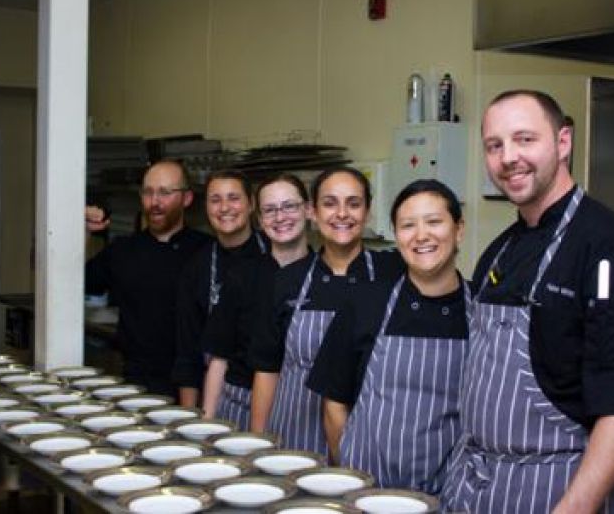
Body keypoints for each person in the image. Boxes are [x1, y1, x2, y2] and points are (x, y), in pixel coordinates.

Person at [441, 90, 614, 513]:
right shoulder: (500, 250)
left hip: (560, 487)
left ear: (563, 143)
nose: (508, 157)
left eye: (525, 139)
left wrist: (573, 508)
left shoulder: (606, 246)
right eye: (495, 145)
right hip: (484, 485)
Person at [308, 179, 469, 495]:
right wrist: (353, 479)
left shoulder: (482, 313)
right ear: (397, 236)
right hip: (367, 493)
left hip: (451, 497)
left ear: (459, 229)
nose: (421, 235)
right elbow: (334, 404)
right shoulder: (365, 303)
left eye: (434, 222)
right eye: (408, 225)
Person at [249, 166, 403, 455]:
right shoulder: (287, 281)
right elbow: (267, 369)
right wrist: (258, 444)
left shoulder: (391, 274)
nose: (342, 213)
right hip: (292, 434)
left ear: (367, 212)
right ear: (312, 212)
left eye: (354, 203)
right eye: (330, 203)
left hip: (365, 437)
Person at [85, 160, 211, 398]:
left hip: (194, 387)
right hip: (135, 385)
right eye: (148, 192)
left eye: (165, 193)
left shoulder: (206, 251)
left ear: (187, 199)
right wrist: (85, 231)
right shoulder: (123, 250)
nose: (155, 202)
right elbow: (75, 283)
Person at [200, 173, 312, 430]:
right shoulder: (241, 275)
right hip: (240, 403)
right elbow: (219, 358)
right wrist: (206, 423)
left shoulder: (323, 276)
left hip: (301, 407)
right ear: (260, 220)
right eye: (270, 210)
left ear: (308, 210)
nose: (280, 217)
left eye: (289, 206)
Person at [172, 169, 267, 407]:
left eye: (233, 198)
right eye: (215, 200)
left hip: (272, 393)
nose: (224, 208)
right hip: (216, 394)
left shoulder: (274, 255)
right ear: (206, 207)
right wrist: (190, 420)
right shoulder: (196, 267)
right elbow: (187, 352)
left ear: (251, 204)